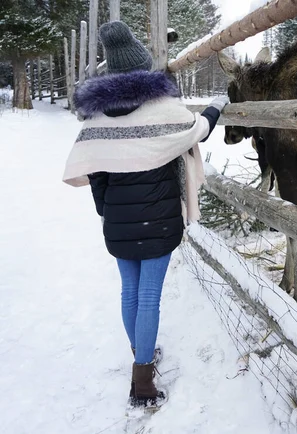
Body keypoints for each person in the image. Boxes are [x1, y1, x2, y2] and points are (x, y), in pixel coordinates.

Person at [62, 21, 229, 408]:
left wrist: (107, 212)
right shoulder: (165, 109)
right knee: (149, 296)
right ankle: (143, 382)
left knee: (130, 291)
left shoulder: (96, 121)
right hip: (160, 218)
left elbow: (95, 173)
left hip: (117, 223)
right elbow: (197, 130)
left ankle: (143, 355)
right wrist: (217, 105)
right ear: (142, 67)